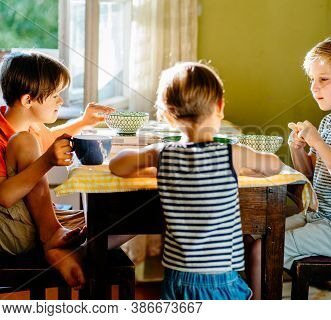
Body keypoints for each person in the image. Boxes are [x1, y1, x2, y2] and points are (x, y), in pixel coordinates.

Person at [110, 62, 283, 299]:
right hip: (220, 280)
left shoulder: (161, 153)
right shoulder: (231, 153)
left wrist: (151, 164)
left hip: (175, 277)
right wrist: (243, 167)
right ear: (219, 107)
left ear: (167, 115)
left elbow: (117, 165)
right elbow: (275, 165)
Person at [247, 33, 331, 299]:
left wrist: (318, 143)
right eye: (312, 80)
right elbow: (312, 174)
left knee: (264, 249)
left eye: (323, 79)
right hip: (322, 218)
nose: (314, 87)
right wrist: (298, 149)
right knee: (255, 238)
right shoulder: (329, 123)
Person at [0, 51, 115, 288]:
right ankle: (52, 236)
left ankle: (67, 246)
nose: (61, 101)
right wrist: (46, 162)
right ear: (28, 100)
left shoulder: (31, 127)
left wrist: (83, 122)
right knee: (26, 142)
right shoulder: (18, 138)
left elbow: (49, 139)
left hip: (22, 223)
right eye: (55, 95)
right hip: (7, 234)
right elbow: (4, 196)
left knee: (101, 222)